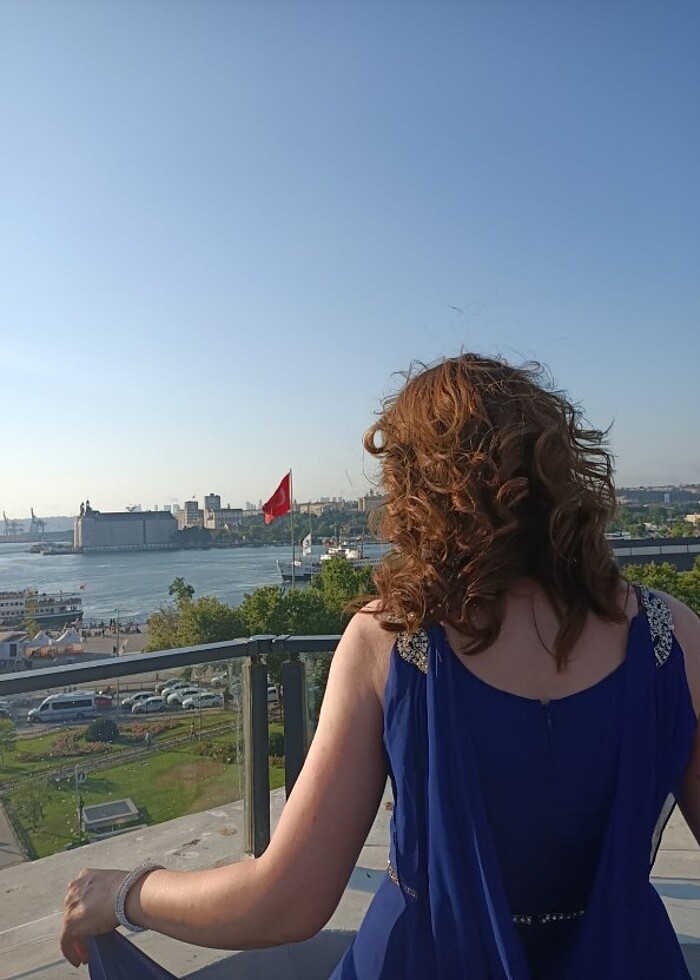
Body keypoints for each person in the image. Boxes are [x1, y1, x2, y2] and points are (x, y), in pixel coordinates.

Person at [61, 354, 700, 978]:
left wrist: (125, 891)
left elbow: (285, 901)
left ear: (416, 488)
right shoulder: (673, 633)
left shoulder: (391, 639)